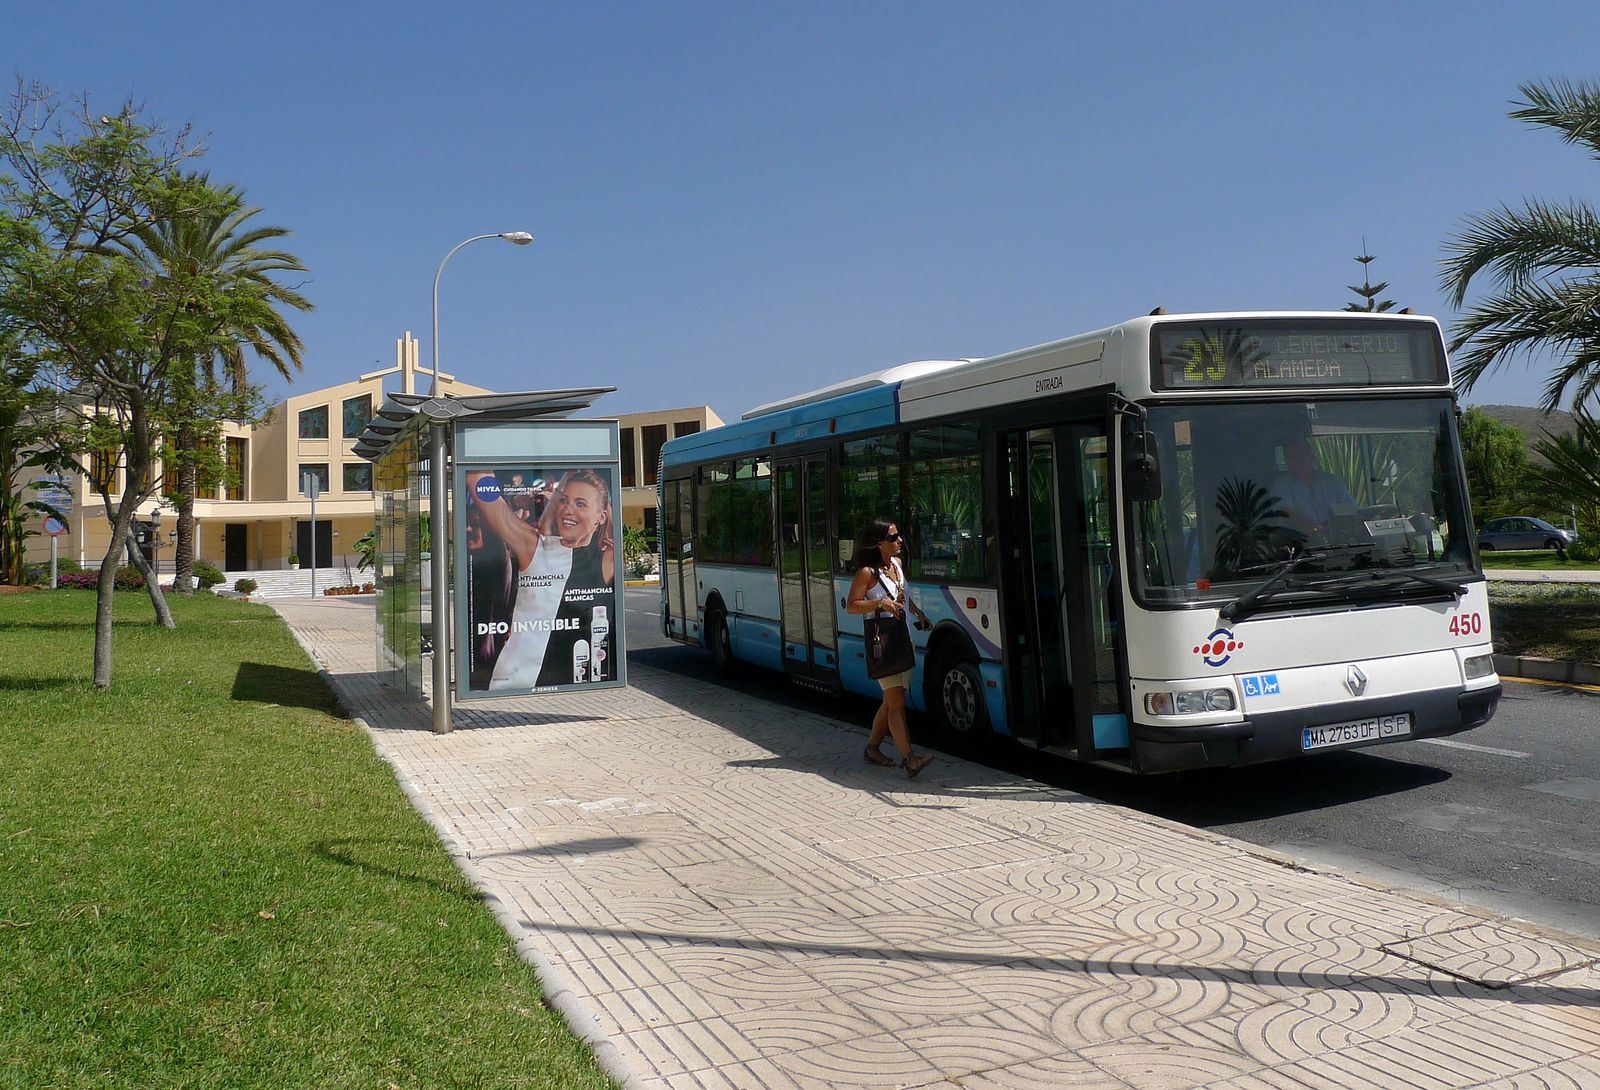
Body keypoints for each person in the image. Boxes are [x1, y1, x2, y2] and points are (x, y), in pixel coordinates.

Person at [467, 468, 615, 690]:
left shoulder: (606, 561)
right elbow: (479, 485)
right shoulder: (535, 547)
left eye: (580, 504)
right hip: (515, 683)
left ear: (601, 516)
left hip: (576, 688)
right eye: (564, 501)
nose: (567, 510)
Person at [845, 517, 934, 778]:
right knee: (896, 702)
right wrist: (879, 603)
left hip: (901, 638)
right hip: (882, 642)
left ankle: (872, 747)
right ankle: (909, 759)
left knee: (891, 699)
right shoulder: (867, 573)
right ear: (879, 543)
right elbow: (851, 605)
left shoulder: (897, 564)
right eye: (893, 537)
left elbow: (901, 598)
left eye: (899, 535)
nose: (900, 541)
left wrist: (918, 614)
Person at [1269, 435, 1355, 540]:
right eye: (1292, 457)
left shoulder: (1331, 481)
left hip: (1340, 541)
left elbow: (1351, 509)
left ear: (1312, 456)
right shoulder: (1281, 485)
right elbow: (1285, 514)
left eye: (1301, 455)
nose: (1297, 460)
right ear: (1286, 460)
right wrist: (1312, 527)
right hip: (1301, 545)